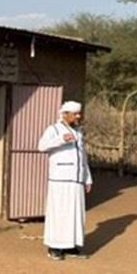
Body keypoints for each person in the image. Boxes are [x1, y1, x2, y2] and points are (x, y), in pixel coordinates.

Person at [37, 100, 93, 261]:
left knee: (75, 213)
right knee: (59, 212)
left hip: (76, 180)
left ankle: (70, 244)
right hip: (60, 179)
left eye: (78, 113)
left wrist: (87, 178)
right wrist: (61, 139)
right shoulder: (53, 129)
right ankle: (55, 246)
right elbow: (41, 147)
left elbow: (83, 157)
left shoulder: (79, 132)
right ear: (65, 114)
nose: (78, 116)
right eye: (75, 114)